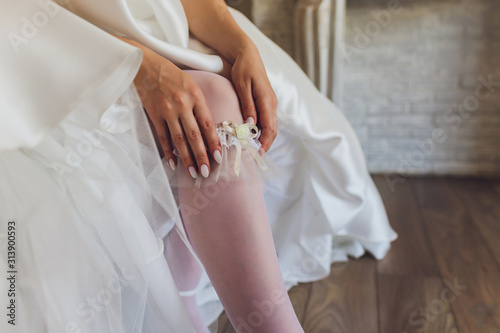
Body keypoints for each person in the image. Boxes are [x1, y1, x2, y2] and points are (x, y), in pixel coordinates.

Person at [0, 0, 397, 332]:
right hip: (43, 44)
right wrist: (132, 63)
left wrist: (242, 46)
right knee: (207, 104)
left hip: (157, 25)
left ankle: (198, 309)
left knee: (219, 94)